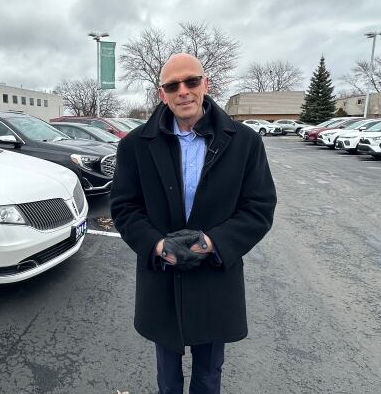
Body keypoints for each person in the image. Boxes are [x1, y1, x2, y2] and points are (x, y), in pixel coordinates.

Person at [110, 53, 277, 393]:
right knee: (168, 377)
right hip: (163, 273)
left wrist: (212, 243)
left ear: (206, 84)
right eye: (173, 85)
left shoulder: (244, 142)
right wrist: (157, 245)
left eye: (191, 81)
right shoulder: (135, 147)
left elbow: (259, 207)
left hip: (215, 274)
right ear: (162, 94)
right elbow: (125, 206)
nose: (183, 91)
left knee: (209, 374)